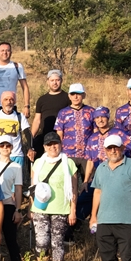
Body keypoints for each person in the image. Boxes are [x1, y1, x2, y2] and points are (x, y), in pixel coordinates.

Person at [31, 132, 78, 261]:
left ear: (60, 144)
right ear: (44, 147)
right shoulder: (38, 163)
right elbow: (33, 187)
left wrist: (73, 210)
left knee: (57, 242)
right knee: (41, 242)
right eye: (49, 144)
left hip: (61, 209)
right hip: (40, 209)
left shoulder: (69, 163)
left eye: (55, 143)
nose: (53, 147)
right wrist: (32, 207)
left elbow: (73, 189)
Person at [55, 84, 95, 222]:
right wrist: (59, 155)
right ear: (69, 96)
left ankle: (85, 216)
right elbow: (59, 135)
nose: (76, 96)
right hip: (68, 155)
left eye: (78, 93)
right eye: (73, 94)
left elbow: (96, 133)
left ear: (83, 95)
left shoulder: (91, 111)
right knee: (69, 186)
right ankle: (67, 216)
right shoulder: (63, 113)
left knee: (89, 186)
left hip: (87, 156)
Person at [0, 90, 34, 167]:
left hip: (16, 156)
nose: (9, 102)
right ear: (1, 102)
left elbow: (28, 133)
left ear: (14, 102)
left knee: (17, 178)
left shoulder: (20, 116)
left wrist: (31, 148)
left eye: (11, 99)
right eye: (6, 99)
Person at [82, 107, 129, 188]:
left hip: (118, 174)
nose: (100, 120)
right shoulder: (92, 138)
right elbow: (90, 161)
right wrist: (86, 180)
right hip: (99, 176)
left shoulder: (119, 133)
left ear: (108, 117)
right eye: (97, 117)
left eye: (103, 117)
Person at [31, 70, 69, 155]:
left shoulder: (68, 97)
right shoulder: (42, 99)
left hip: (63, 136)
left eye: (57, 80)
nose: (55, 83)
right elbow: (37, 120)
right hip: (45, 136)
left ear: (61, 81)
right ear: (48, 82)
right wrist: (31, 137)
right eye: (52, 80)